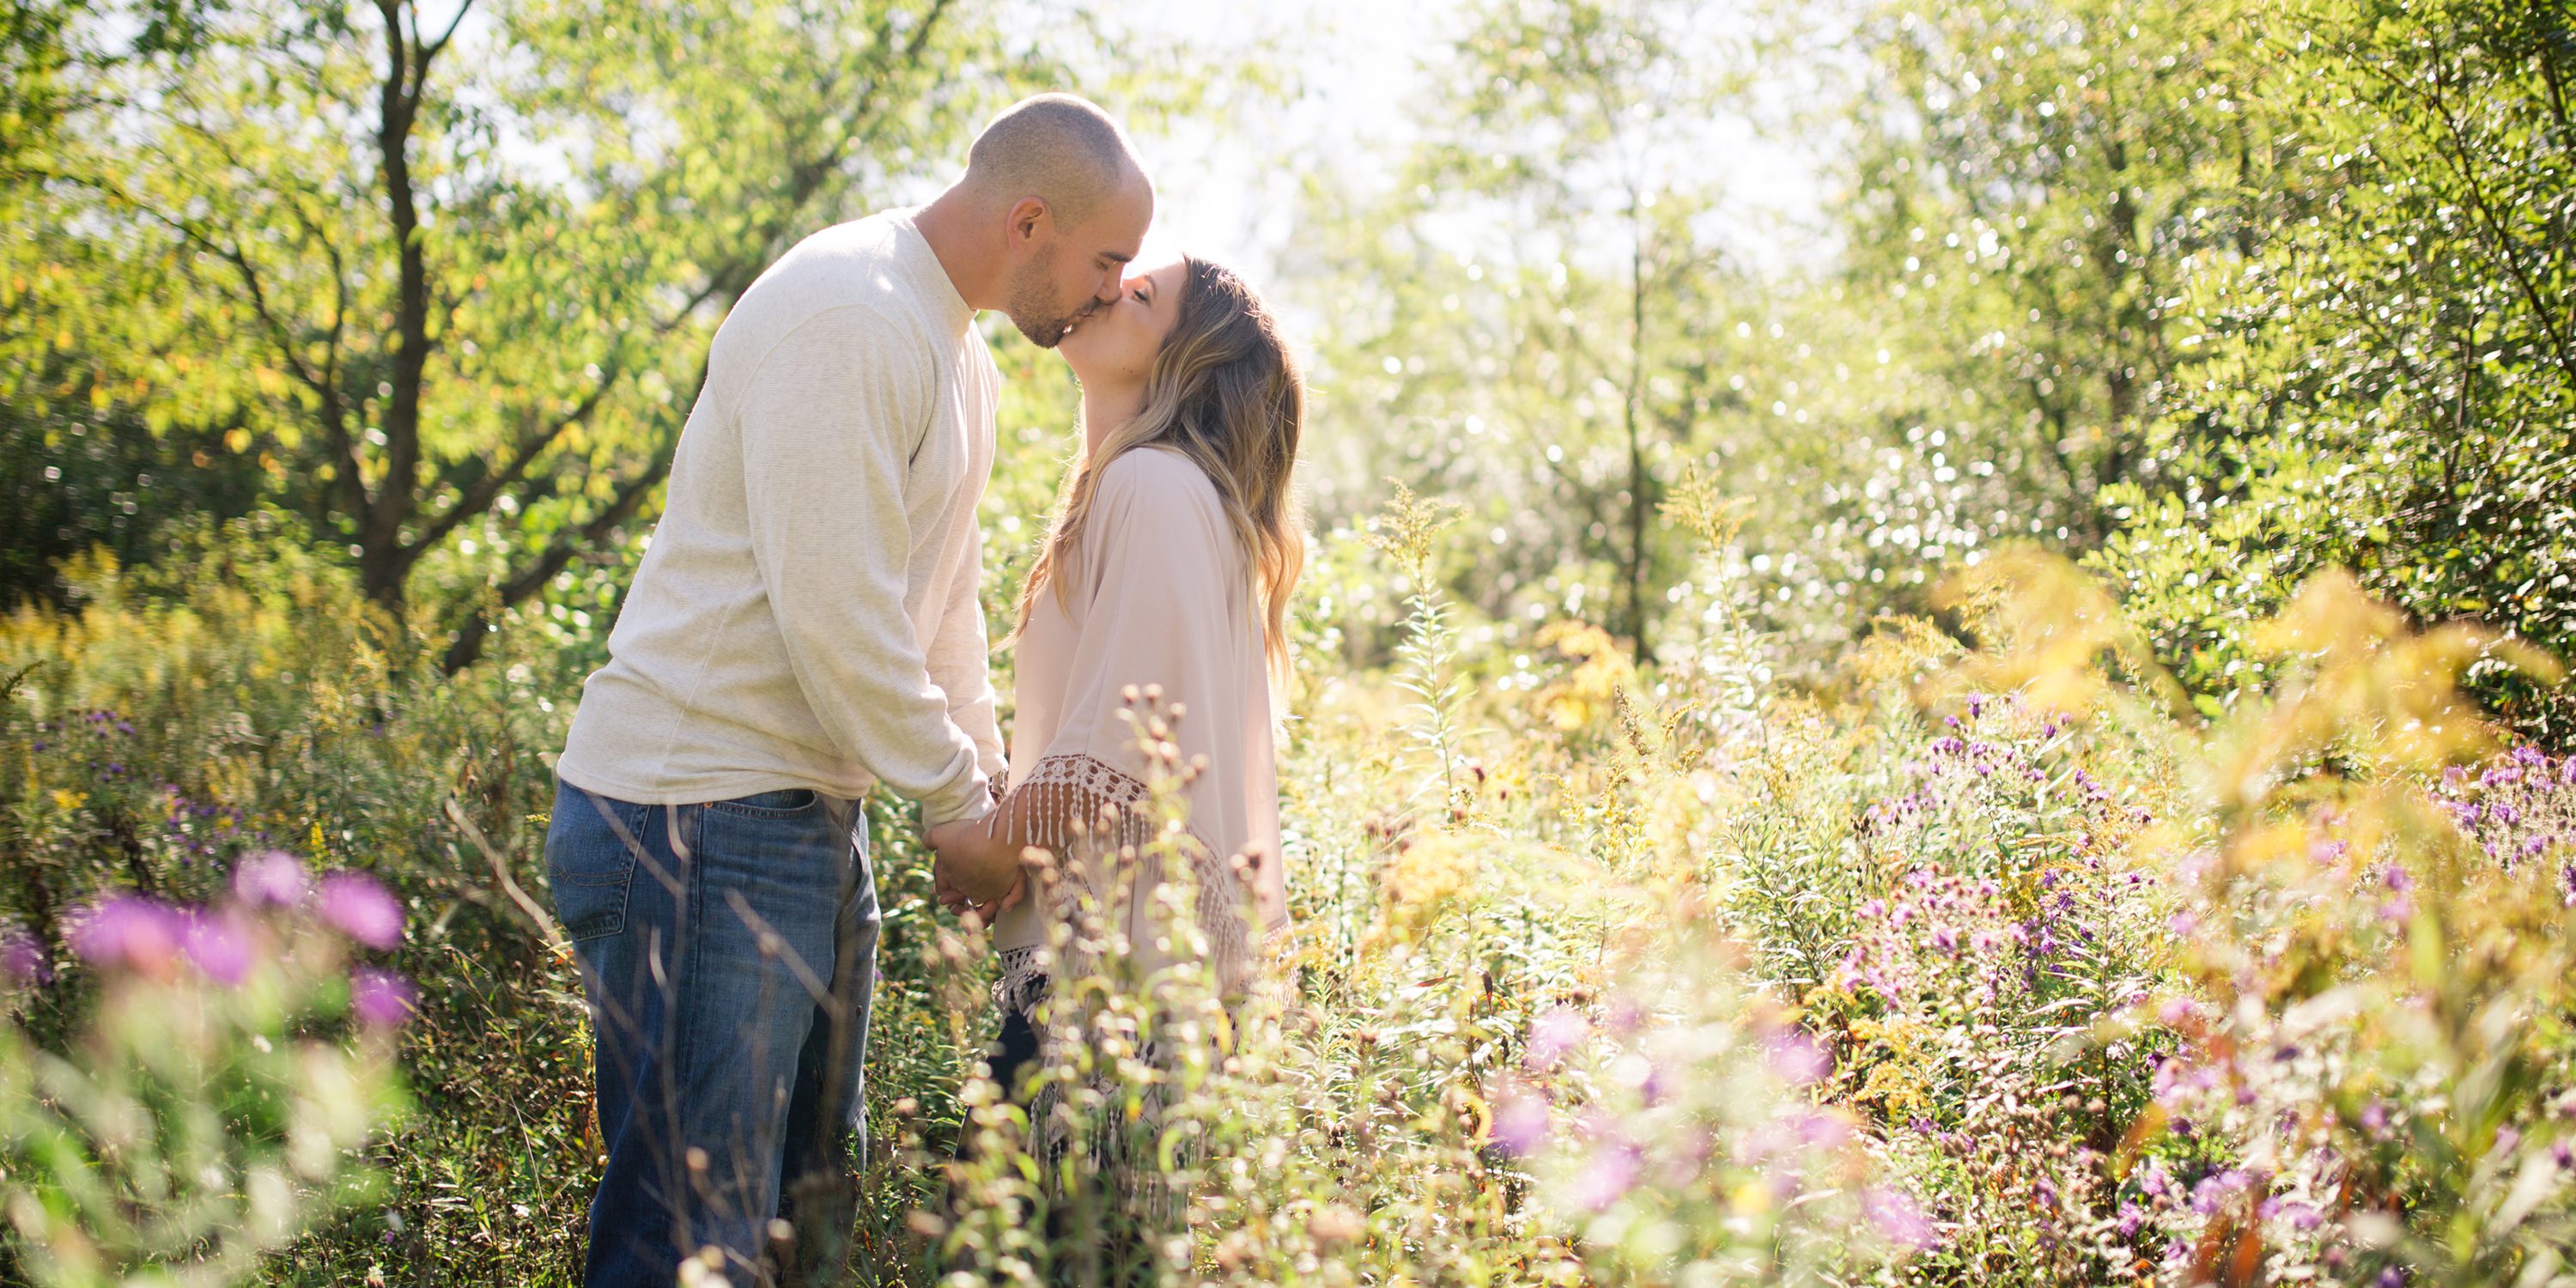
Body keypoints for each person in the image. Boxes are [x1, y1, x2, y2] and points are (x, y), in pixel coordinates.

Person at [540, 94, 1152, 1287]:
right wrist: (950, 806)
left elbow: (939, 615)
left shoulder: (954, 353)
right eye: (1105, 261)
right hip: (691, 821)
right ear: (1031, 220)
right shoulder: (852, 315)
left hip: (802, 815)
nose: (1109, 292)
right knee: (690, 1243)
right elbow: (836, 611)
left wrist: (989, 798)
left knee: (806, 1219)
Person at [928, 253, 1304, 1165]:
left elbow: (1124, 745)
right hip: (1118, 967)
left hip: (1110, 979)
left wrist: (990, 845)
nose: (1107, 287)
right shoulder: (1153, 490)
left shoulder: (1152, 487)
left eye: (1140, 294)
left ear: (1187, 362)